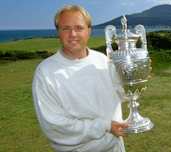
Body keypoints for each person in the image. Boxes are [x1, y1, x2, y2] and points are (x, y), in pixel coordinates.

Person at [32, 5, 128, 152]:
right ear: (58, 32)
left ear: (89, 31)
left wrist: (132, 77)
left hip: (115, 147)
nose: (73, 34)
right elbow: (54, 126)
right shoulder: (45, 72)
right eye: (66, 28)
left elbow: (122, 93)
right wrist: (105, 126)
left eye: (79, 27)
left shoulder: (103, 60)